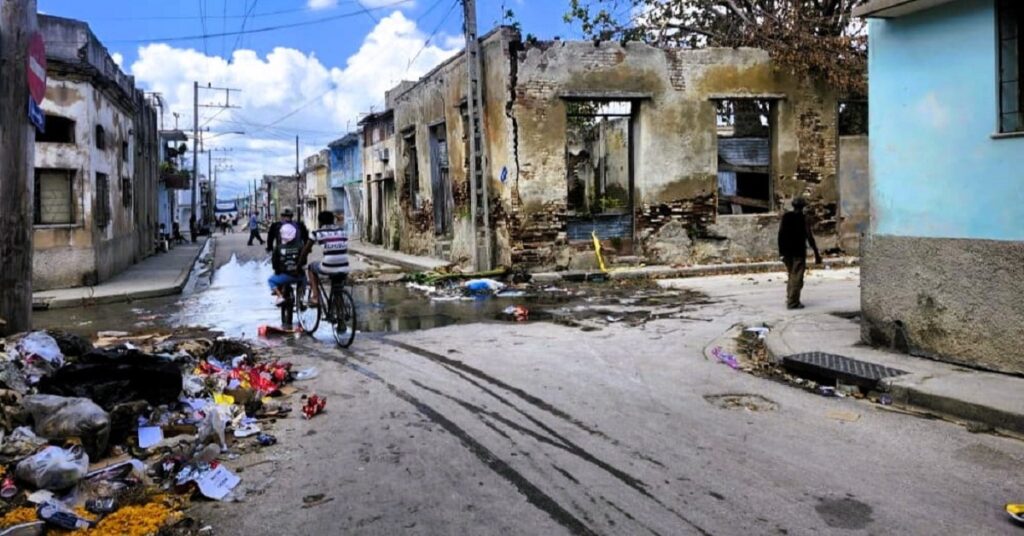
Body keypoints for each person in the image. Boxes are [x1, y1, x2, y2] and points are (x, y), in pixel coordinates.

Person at [777, 197, 822, 310]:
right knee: (797, 277)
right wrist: (816, 253)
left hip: (786, 251)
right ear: (803, 207)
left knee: (791, 275)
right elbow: (809, 237)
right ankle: (793, 302)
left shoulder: (786, 217)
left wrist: (781, 252)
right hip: (798, 251)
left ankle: (790, 298)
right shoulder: (804, 219)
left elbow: (780, 234)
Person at [301, 211, 349, 306]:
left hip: (328, 266)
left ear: (320, 222)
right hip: (345, 266)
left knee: (311, 268)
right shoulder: (342, 231)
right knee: (337, 280)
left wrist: (299, 263)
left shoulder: (317, 233)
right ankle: (340, 307)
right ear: (332, 221)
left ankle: (315, 297)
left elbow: (305, 250)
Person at [267, 216, 308, 306]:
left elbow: (275, 263)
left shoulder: (278, 248)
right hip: (299, 276)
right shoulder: (300, 246)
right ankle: (301, 298)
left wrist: (278, 270)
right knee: (304, 277)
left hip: (285, 275)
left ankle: (279, 295)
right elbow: (304, 261)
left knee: (270, 280)